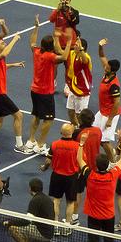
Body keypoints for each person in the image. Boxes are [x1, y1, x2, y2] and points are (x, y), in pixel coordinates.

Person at [78, 129, 121, 242]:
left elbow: (80, 160)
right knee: (109, 239)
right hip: (109, 216)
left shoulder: (90, 175)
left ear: (96, 166)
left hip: (93, 216)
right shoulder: (113, 175)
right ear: (107, 166)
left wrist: (81, 143)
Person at [24, 15, 71, 155]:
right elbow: (63, 57)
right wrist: (68, 42)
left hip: (35, 90)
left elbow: (32, 42)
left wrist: (36, 27)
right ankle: (40, 144)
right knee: (49, 119)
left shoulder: (37, 52)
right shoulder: (50, 57)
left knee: (36, 115)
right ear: (52, 47)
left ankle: (30, 141)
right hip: (45, 93)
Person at [40, 123, 79, 236]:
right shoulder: (77, 146)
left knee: (56, 201)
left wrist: (44, 167)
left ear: (61, 133)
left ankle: (55, 225)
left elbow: (48, 160)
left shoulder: (55, 144)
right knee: (70, 202)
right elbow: (81, 162)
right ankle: (67, 226)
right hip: (71, 177)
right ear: (71, 133)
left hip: (57, 176)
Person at [3, 178, 55, 242]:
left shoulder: (35, 201)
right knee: (28, 238)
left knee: (12, 229)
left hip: (42, 233)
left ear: (31, 189)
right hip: (50, 232)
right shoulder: (48, 199)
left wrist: (10, 222)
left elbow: (26, 221)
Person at [71, 108, 102, 226]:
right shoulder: (98, 131)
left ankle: (74, 216)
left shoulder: (77, 133)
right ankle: (97, 214)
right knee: (93, 193)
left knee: (78, 192)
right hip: (95, 168)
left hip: (80, 168)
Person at [94, 38, 121, 162]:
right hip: (102, 112)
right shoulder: (107, 73)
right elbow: (102, 55)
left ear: (113, 70)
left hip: (110, 114)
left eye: (108, 66)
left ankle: (113, 163)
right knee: (95, 134)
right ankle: (113, 153)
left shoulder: (114, 85)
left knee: (104, 141)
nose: (105, 66)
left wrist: (110, 119)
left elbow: (117, 103)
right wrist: (100, 46)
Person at [65, 37, 92, 127]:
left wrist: (80, 49)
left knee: (80, 116)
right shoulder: (73, 54)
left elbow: (85, 60)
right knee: (70, 111)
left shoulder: (85, 57)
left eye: (76, 45)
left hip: (82, 90)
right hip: (73, 87)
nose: (74, 46)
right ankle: (76, 128)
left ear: (82, 48)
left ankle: (82, 131)